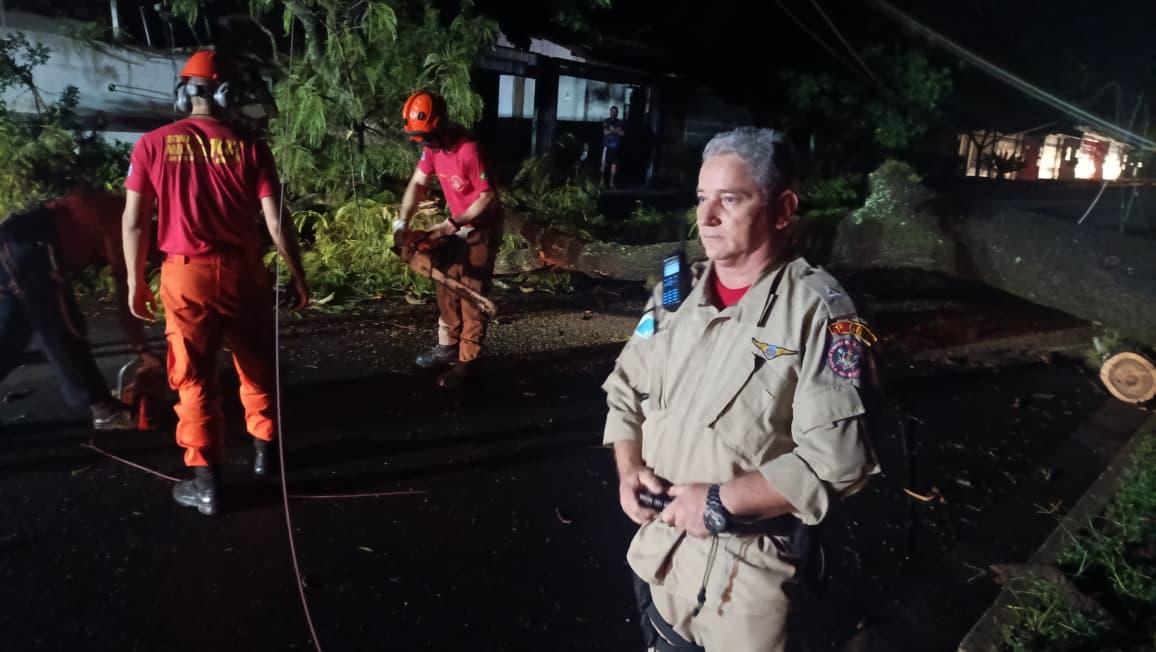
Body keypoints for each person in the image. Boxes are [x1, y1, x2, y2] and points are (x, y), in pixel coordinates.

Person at [601, 127, 879, 651]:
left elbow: (840, 462)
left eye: (730, 200)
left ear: (781, 209)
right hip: (660, 566)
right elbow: (624, 388)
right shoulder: (672, 298)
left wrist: (720, 501)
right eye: (703, 199)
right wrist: (628, 467)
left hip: (750, 592)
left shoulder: (820, 313)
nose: (706, 218)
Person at [122, 50, 308, 516]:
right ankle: (267, 456)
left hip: (186, 276)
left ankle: (207, 484)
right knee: (257, 367)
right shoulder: (251, 145)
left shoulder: (152, 144)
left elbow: (134, 223)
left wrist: (133, 282)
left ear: (185, 91)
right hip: (245, 271)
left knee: (194, 379)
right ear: (228, 94)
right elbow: (275, 220)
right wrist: (299, 275)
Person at [0, 186, 150, 430]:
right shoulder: (120, 220)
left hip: (13, 243)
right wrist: (143, 350)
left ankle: (102, 406)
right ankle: (103, 409)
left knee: (12, 335)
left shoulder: (115, 210)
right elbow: (126, 295)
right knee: (63, 327)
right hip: (29, 245)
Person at [397, 90, 501, 389]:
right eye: (417, 138)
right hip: (455, 227)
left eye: (424, 136)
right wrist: (403, 223)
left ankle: (468, 362)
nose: (422, 142)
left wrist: (451, 224)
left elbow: (487, 197)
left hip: (479, 228)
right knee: (446, 286)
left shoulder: (468, 150)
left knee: (472, 296)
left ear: (439, 124)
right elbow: (418, 183)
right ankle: (447, 346)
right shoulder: (432, 150)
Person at [601, 105, 625, 189]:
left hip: (616, 147)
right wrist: (616, 130)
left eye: (615, 112)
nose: (613, 113)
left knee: (614, 166)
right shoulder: (606, 121)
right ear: (610, 112)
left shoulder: (620, 122)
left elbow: (622, 133)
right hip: (607, 146)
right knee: (604, 165)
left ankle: (611, 183)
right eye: (612, 111)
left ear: (617, 113)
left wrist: (612, 130)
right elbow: (605, 132)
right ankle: (602, 182)